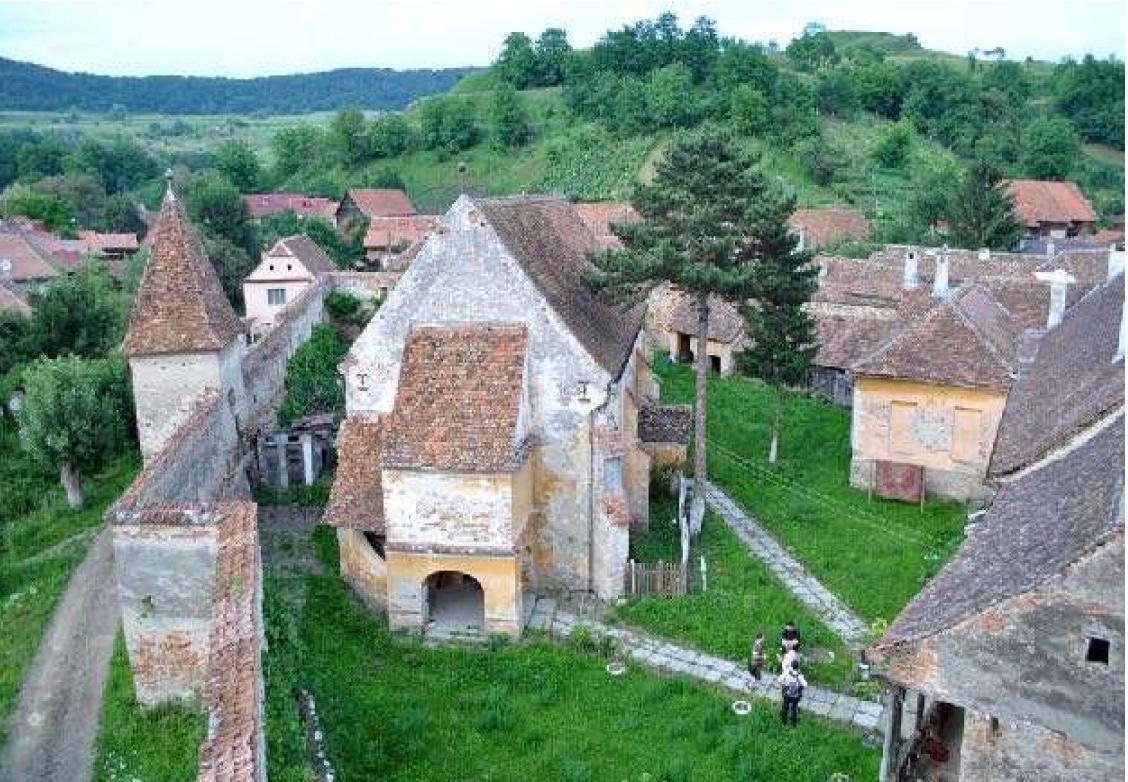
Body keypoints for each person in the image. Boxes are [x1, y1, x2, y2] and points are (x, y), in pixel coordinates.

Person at [778, 658, 807, 727]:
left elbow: (779, 680)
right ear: (798, 667)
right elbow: (805, 684)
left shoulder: (787, 673)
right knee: (794, 708)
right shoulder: (799, 675)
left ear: (791, 666)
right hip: (795, 695)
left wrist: (784, 683)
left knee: (785, 707)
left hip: (787, 693)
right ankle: (793, 723)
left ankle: (784, 721)